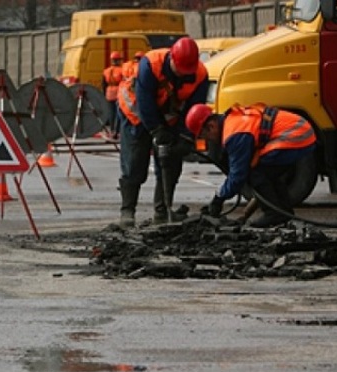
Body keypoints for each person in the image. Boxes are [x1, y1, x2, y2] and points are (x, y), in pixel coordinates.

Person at [116, 37, 208, 228]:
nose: (183, 74)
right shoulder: (151, 64)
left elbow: (193, 109)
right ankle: (127, 211)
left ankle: (162, 210)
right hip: (136, 114)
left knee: (171, 161)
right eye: (180, 69)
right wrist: (157, 130)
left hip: (169, 115)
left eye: (186, 71)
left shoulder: (199, 74)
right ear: (172, 59)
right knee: (135, 161)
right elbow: (145, 101)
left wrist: (185, 135)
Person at [185, 103, 317, 228]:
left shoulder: (234, 134)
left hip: (297, 136)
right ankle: (283, 211)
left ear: (211, 126)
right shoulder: (232, 120)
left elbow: (238, 176)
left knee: (255, 173)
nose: (208, 140)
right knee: (268, 172)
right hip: (302, 132)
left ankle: (274, 214)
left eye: (205, 136)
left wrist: (218, 198)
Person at [102, 51, 124, 135]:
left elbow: (104, 84)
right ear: (118, 60)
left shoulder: (106, 71)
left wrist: (105, 94)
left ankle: (111, 129)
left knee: (111, 113)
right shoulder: (121, 70)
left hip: (109, 93)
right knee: (118, 113)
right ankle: (117, 130)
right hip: (118, 92)